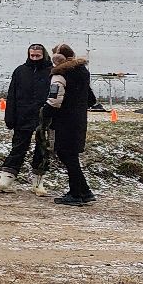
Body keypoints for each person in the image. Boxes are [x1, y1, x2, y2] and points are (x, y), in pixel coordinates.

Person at [0, 43, 53, 192]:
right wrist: (10, 117)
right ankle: (5, 180)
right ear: (28, 55)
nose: (35, 58)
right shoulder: (20, 71)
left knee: (42, 150)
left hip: (45, 118)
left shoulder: (51, 72)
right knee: (18, 148)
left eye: (38, 56)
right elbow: (12, 95)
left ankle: (38, 183)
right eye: (32, 55)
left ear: (44, 55)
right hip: (23, 117)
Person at [46, 43, 97, 206]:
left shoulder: (60, 74)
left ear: (57, 58)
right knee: (71, 156)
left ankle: (76, 193)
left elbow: (54, 101)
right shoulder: (82, 71)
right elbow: (92, 99)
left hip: (63, 120)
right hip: (79, 120)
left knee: (67, 155)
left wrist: (43, 114)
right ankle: (85, 191)